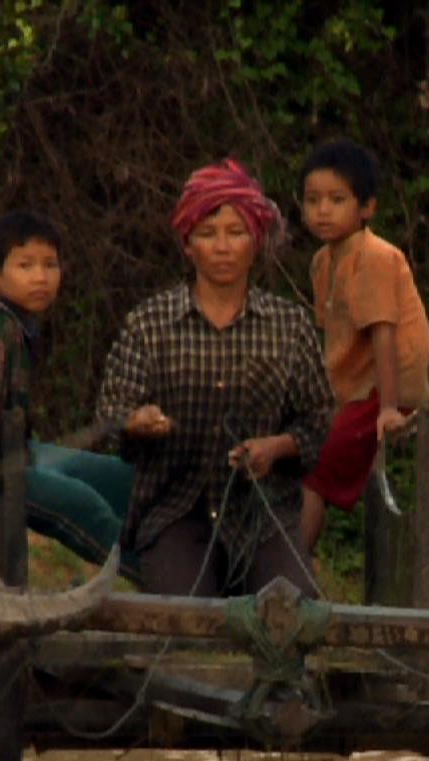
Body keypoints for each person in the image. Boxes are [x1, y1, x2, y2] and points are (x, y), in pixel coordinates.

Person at [94, 160, 333, 598]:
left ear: (255, 242)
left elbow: (317, 420)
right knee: (186, 627)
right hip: (176, 513)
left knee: (293, 616)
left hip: (265, 516)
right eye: (207, 234)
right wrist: (138, 421)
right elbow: (112, 412)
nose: (222, 247)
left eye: (236, 233)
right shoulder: (150, 324)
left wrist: (276, 447)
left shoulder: (289, 326)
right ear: (188, 245)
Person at [0, 210, 134, 570]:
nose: (41, 277)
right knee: (86, 507)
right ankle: (169, 589)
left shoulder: (15, 323)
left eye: (50, 265)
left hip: (15, 452)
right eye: (25, 266)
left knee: (123, 478)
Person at [296, 139, 429, 552]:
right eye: (313, 200)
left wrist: (389, 408)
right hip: (352, 390)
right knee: (291, 447)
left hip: (384, 389)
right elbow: (334, 340)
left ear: (366, 208)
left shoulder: (375, 256)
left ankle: (291, 567)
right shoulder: (323, 261)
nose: (322, 210)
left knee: (312, 468)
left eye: (337, 200)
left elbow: (384, 335)